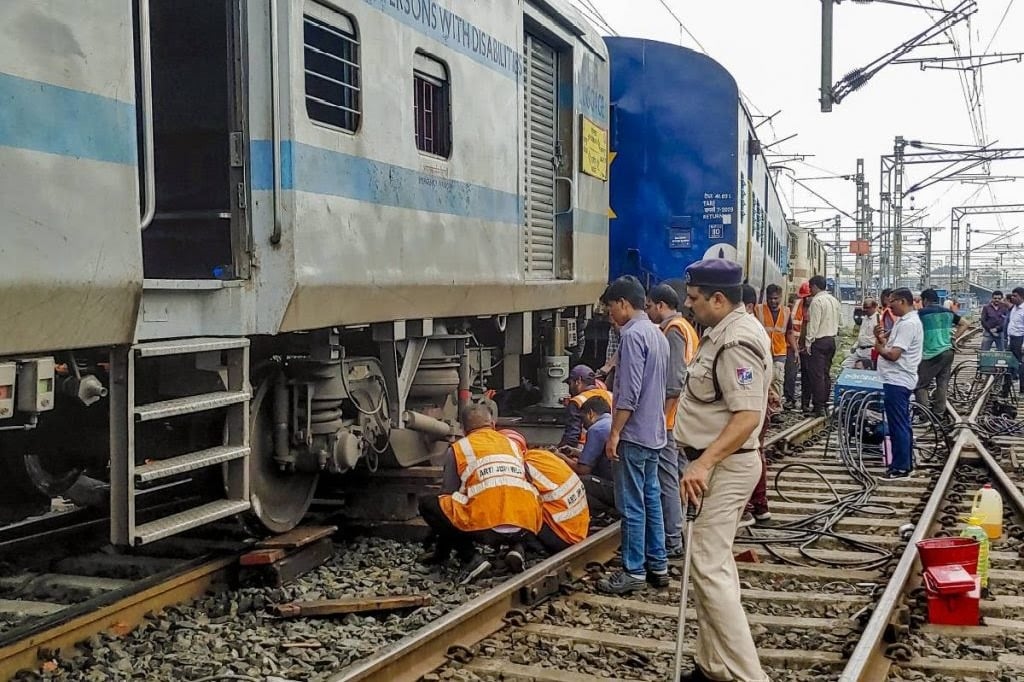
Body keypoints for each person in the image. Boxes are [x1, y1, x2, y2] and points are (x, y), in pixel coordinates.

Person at [673, 258, 770, 682]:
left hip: (725, 465)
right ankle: (713, 667)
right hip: (715, 463)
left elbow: (748, 415)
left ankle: (749, 676)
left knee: (709, 568)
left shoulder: (736, 343)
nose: (688, 306)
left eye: (694, 299)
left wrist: (705, 462)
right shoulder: (721, 332)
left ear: (718, 298)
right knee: (707, 564)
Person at [597, 275, 670, 594]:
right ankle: (658, 565)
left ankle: (633, 571)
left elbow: (628, 393)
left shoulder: (631, 336)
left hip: (634, 434)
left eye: (611, 307)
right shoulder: (658, 335)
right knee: (651, 499)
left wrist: (614, 434)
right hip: (655, 433)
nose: (610, 314)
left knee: (631, 504)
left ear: (624, 304)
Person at [418, 404, 542, 583]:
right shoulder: (512, 444)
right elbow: (527, 482)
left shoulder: (460, 448)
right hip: (525, 524)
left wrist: (440, 549)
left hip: (486, 529)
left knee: (431, 504)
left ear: (463, 428)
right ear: (492, 423)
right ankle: (517, 547)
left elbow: (447, 497)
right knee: (521, 495)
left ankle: (471, 558)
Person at [646, 283, 699, 557]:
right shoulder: (687, 328)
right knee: (677, 476)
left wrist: (659, 414)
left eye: (649, 306)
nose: (648, 312)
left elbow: (674, 380)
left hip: (671, 419)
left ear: (660, 305)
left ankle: (672, 540)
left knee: (666, 478)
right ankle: (680, 533)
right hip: (684, 416)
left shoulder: (674, 330)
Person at [501, 430, 590, 556]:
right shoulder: (542, 455)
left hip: (562, 537)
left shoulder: (522, 469)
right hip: (580, 530)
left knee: (515, 508)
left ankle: (529, 547)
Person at [873, 288, 923, 480]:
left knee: (898, 424)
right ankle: (903, 463)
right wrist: (879, 338)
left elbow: (893, 355)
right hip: (896, 379)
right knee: (900, 423)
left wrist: (879, 348)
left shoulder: (908, 324)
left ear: (902, 301)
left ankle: (901, 467)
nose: (889, 305)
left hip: (898, 380)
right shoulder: (904, 322)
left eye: (892, 301)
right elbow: (891, 345)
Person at [557, 395, 617, 515]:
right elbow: (602, 456)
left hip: (613, 487)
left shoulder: (596, 429)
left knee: (576, 482)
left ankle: (606, 512)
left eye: (583, 419)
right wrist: (575, 452)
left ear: (590, 414)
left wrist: (561, 457)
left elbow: (583, 469)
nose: (583, 425)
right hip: (621, 484)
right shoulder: (611, 423)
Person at [915, 288, 968, 419]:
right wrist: (954, 338)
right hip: (948, 351)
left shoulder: (920, 313)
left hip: (930, 353)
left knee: (921, 385)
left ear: (925, 300)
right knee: (942, 384)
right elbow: (965, 323)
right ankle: (939, 413)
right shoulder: (948, 312)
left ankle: (924, 415)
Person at [803, 275, 841, 417]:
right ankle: (824, 404)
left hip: (818, 342)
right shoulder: (834, 301)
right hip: (831, 340)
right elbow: (840, 322)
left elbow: (813, 325)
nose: (810, 291)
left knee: (817, 375)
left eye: (810, 287)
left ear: (814, 286)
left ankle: (818, 407)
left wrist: (808, 342)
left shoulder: (817, 301)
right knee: (826, 373)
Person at [559, 365, 613, 449]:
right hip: (612, 445)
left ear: (578, 381)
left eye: (570, 383)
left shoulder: (576, 401)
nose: (569, 388)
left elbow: (572, 436)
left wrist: (559, 451)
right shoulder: (610, 395)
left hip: (586, 447)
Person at [753, 284, 790, 403]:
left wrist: (795, 350)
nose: (773, 301)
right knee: (763, 379)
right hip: (762, 351)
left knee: (777, 380)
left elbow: (789, 332)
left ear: (780, 297)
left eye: (776, 298)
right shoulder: (758, 310)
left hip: (780, 352)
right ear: (766, 298)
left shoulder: (786, 312)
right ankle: (764, 407)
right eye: (770, 298)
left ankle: (776, 409)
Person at [790, 282, 813, 413]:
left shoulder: (816, 307)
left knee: (809, 376)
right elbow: (793, 326)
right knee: (794, 375)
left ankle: (806, 402)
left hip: (809, 347)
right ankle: (792, 399)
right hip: (797, 345)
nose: (806, 299)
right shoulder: (798, 306)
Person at [842, 298, 880, 369]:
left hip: (870, 350)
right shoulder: (865, 318)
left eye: (867, 308)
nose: (865, 310)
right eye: (864, 308)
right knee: (845, 365)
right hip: (859, 349)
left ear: (874, 307)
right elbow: (862, 334)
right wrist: (855, 346)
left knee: (866, 369)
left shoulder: (878, 319)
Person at [783, 293, 800, 409]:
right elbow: (789, 332)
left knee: (791, 374)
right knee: (789, 374)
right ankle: (789, 397)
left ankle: (790, 398)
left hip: (796, 346)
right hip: (788, 346)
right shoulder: (788, 313)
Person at [1007, 288, 1024, 395]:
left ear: (1022, 297)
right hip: (1012, 340)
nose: (1012, 297)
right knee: (1008, 364)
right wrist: (1009, 341)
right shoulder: (1014, 309)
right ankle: (1006, 390)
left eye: (1015, 296)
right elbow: (1011, 326)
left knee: (1021, 365)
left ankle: (1022, 390)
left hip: (1020, 340)